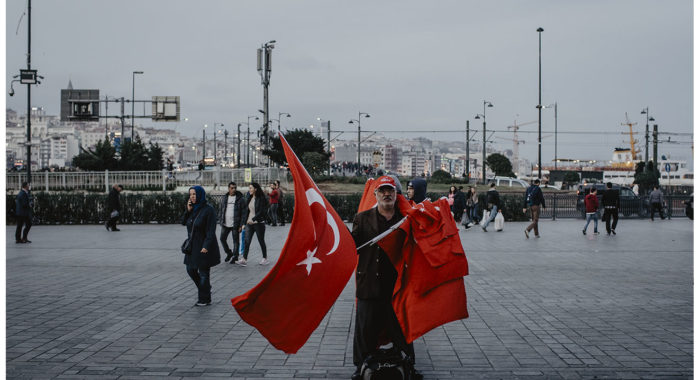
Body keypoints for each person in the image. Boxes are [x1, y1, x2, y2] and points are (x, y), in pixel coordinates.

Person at [351, 176, 419, 380]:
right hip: (369, 283)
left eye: (390, 190)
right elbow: (352, 246)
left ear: (396, 194)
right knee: (364, 330)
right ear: (376, 195)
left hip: (396, 286)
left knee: (402, 329)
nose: (386, 194)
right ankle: (360, 366)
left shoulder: (405, 219)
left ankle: (408, 364)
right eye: (382, 191)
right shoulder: (362, 218)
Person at [182, 185, 221, 306]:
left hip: (204, 246)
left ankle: (204, 299)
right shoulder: (192, 209)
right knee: (190, 269)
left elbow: (211, 231)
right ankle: (206, 288)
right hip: (192, 246)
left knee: (204, 273)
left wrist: (206, 246)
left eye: (194, 194)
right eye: (190, 195)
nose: (192, 197)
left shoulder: (208, 210)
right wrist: (187, 211)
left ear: (200, 194)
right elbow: (183, 222)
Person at [237, 182, 270, 266]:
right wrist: (244, 223)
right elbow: (247, 211)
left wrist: (253, 219)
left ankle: (265, 258)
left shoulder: (261, 198)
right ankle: (244, 259)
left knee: (261, 240)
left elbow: (262, 211)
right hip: (249, 223)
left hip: (259, 223)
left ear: (256, 189)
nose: (249, 189)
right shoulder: (250, 197)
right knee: (247, 241)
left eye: (251, 188)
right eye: (249, 188)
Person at [219, 182, 245, 263]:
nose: (233, 189)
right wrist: (220, 219)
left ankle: (235, 256)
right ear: (228, 188)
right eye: (232, 188)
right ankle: (229, 253)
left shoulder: (240, 199)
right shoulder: (225, 198)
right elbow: (221, 209)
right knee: (222, 239)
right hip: (225, 223)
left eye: (235, 188)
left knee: (235, 241)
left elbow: (243, 213)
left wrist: (241, 225)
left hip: (235, 224)